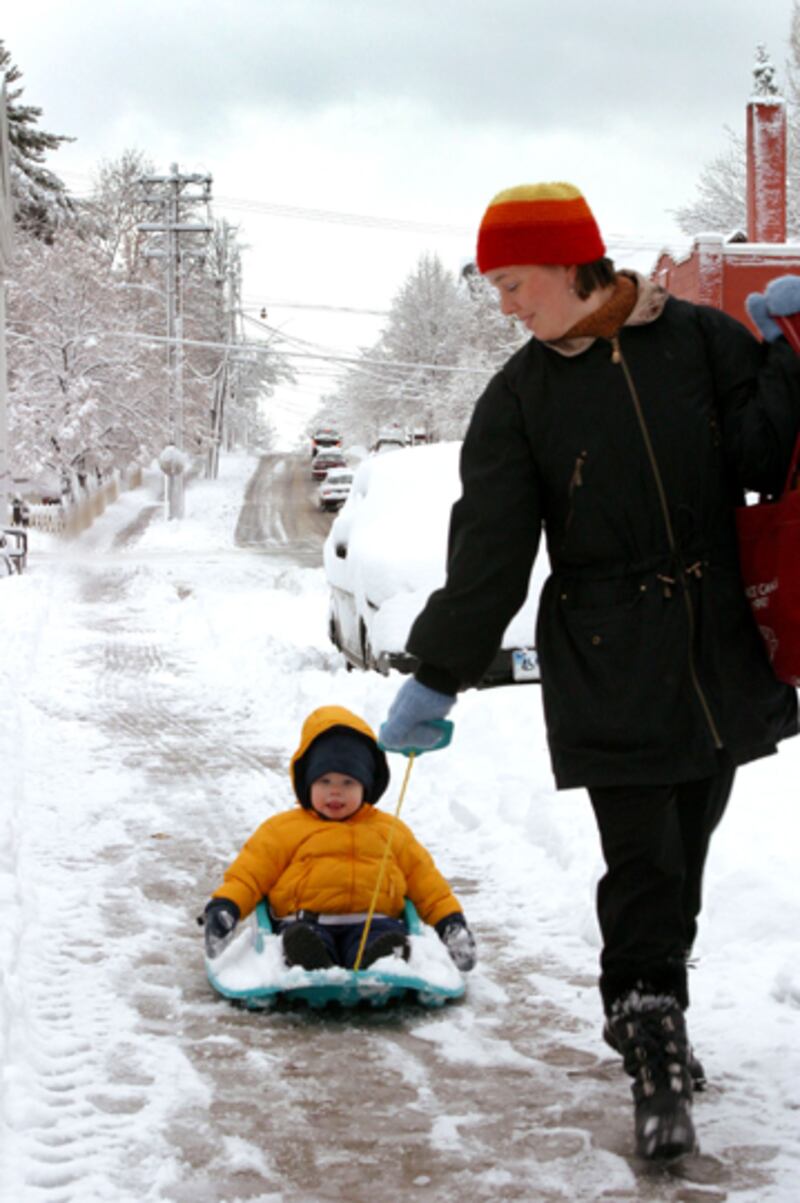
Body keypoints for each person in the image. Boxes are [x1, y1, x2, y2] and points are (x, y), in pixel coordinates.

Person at [378, 182, 800, 1160]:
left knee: (682, 855)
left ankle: (657, 1005)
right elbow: (490, 552)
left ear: (573, 266)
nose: (504, 307)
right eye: (495, 289)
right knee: (642, 861)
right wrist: (438, 671)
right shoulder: (518, 398)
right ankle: (649, 1040)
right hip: (607, 656)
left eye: (513, 283)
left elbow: (761, 452)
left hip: (715, 647)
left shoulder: (697, 340)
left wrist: (785, 351)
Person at [202, 704, 477, 974]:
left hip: (374, 924)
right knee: (302, 937)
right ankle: (310, 959)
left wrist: (449, 923)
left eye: (348, 782)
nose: (335, 792)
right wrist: (227, 906)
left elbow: (425, 881)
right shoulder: (283, 829)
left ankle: (380, 959)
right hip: (307, 922)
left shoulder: (389, 830)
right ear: (307, 784)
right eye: (324, 782)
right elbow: (249, 874)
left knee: (382, 938)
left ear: (366, 785)